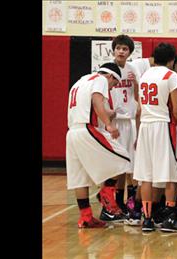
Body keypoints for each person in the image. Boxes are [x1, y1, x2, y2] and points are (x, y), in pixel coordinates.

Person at [66, 62, 132, 228]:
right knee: (123, 157)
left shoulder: (80, 81)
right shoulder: (100, 80)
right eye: (113, 84)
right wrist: (109, 124)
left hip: (72, 132)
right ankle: (106, 196)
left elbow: (89, 104)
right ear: (110, 76)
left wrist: (109, 112)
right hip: (86, 128)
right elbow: (97, 102)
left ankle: (86, 217)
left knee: (79, 178)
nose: (110, 89)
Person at [133, 43, 177, 232]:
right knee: (171, 174)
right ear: (171, 60)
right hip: (163, 125)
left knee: (146, 177)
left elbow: (139, 108)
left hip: (145, 126)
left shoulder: (145, 75)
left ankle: (147, 219)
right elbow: (176, 109)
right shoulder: (171, 75)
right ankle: (170, 218)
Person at [105, 34, 143, 225]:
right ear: (114, 49)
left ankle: (130, 203)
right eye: (118, 48)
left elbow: (138, 96)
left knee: (133, 165)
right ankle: (113, 204)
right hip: (114, 121)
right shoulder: (106, 69)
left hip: (130, 121)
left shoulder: (133, 69)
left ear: (129, 52)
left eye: (125, 49)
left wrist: (135, 83)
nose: (121, 51)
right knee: (116, 164)